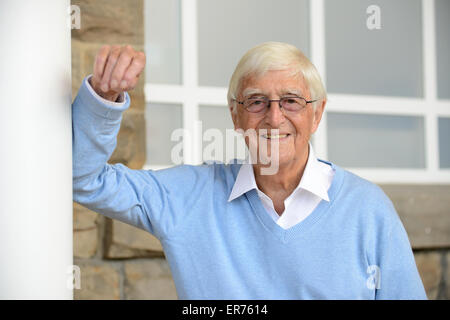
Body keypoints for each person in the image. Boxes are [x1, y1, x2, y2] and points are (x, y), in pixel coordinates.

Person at [72, 42, 427, 299]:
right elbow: (83, 179)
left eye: (291, 101)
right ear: (235, 114)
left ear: (316, 114)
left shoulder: (368, 209)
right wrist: (103, 101)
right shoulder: (189, 196)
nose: (274, 118)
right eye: (256, 102)